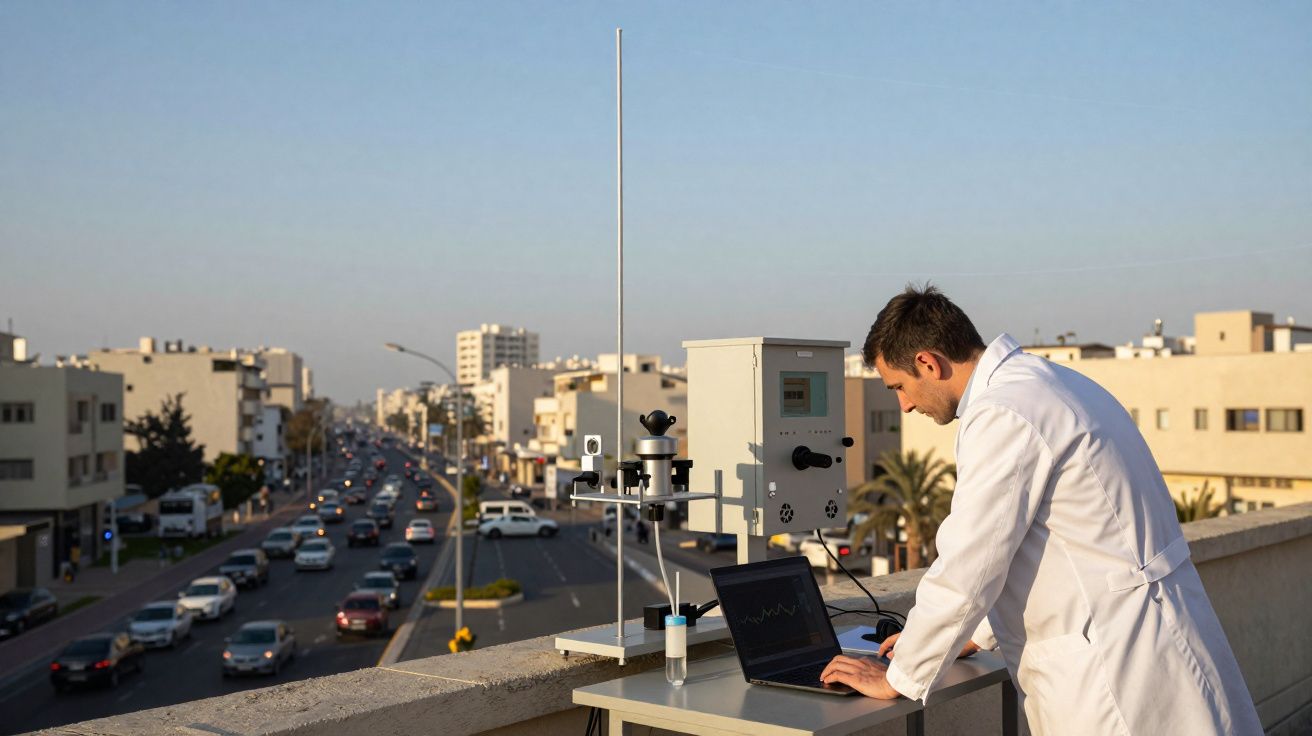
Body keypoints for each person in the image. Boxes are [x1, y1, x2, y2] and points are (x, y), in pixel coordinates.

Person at [820, 286, 1261, 735]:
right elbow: (1053, 543)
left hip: (1113, 671)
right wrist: (977, 635)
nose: (905, 404)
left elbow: (969, 562)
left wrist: (900, 674)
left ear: (928, 363)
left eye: (899, 386)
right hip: (1157, 640)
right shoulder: (1053, 383)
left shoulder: (1004, 413)